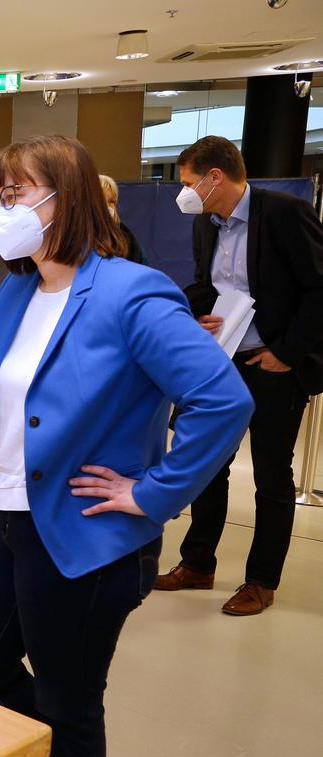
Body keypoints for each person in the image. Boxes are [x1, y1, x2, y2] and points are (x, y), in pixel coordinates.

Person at [0, 135, 252, 757]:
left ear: (64, 198)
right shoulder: (17, 291)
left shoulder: (132, 293)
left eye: (14, 194)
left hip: (87, 534)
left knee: (67, 699)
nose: (2, 208)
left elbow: (222, 401)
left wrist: (151, 492)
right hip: (10, 520)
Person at [157, 135, 323, 615]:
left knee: (272, 475)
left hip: (271, 365)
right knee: (210, 463)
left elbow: (318, 288)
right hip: (222, 361)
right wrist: (195, 313)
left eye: (189, 182)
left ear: (215, 177)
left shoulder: (285, 214)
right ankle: (198, 563)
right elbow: (208, 285)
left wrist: (287, 353)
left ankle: (260, 581)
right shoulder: (206, 225)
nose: (184, 192)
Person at [98, 174, 147, 264]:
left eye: (111, 201)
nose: (107, 207)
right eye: (101, 200)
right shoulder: (75, 240)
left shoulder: (128, 241)